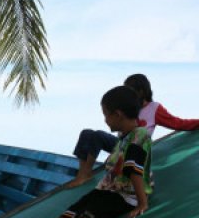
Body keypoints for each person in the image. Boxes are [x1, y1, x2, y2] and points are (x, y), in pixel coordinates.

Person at [0, 86, 151, 218]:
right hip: (107, 190)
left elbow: (134, 171)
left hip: (124, 198)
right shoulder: (124, 137)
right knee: (64, 217)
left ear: (118, 114)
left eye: (106, 114)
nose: (105, 119)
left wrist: (142, 204)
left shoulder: (139, 135)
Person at [67, 73, 199, 187]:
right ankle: (83, 172)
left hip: (136, 148)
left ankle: (85, 174)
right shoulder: (127, 107)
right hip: (121, 145)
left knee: (97, 136)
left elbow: (178, 123)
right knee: (87, 133)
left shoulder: (154, 108)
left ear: (141, 92)